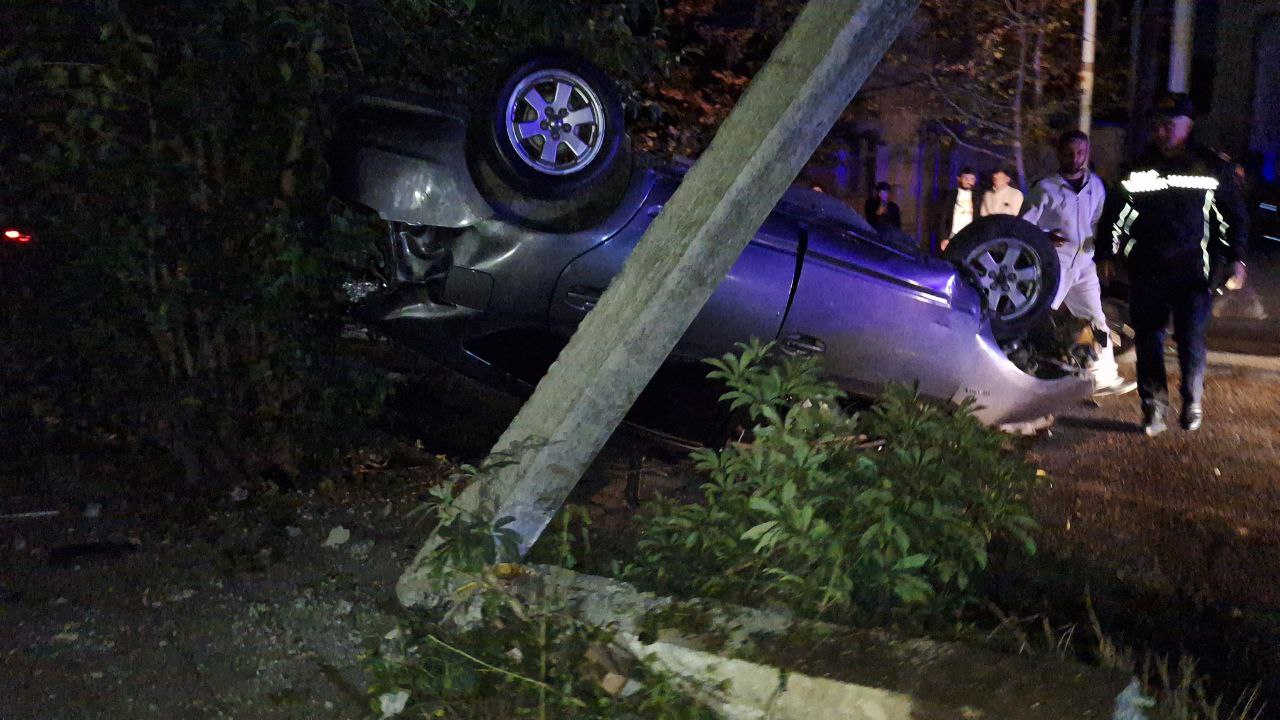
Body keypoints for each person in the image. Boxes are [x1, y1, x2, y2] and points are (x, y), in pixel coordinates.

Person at [1098, 94, 1249, 435]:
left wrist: (1236, 259)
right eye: (1157, 125)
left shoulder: (1212, 167)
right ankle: (1153, 406)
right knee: (1148, 340)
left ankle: (1192, 400)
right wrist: (1105, 252)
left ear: (1188, 126)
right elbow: (1114, 214)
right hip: (1147, 270)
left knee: (1191, 339)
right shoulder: (1138, 167)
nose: (1161, 131)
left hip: (1194, 273)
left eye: (1169, 124)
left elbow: (1234, 217)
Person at [1021, 131, 1136, 397]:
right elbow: (1023, 226)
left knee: (1096, 320)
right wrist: (1044, 237)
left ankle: (1103, 377)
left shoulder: (1095, 185)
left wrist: (1104, 250)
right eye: (1069, 153)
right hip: (1054, 265)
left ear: (1087, 152)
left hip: (1084, 265)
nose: (1075, 158)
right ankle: (1027, 377)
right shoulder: (1045, 188)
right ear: (1059, 154)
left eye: (1081, 152)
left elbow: (1099, 221)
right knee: (1038, 319)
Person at [936, 167, 978, 253]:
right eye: (965, 178)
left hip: (970, 235)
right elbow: (942, 218)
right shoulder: (951, 195)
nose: (968, 181)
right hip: (953, 234)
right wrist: (944, 238)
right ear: (959, 178)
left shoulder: (978, 197)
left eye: (972, 179)